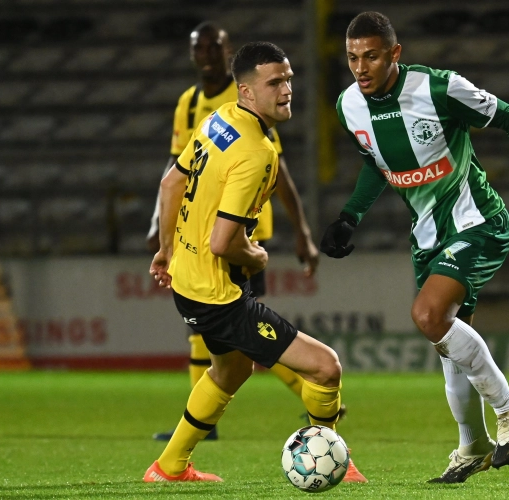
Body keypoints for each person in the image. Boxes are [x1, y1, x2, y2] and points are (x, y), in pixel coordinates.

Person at [320, 12, 509, 483]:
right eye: (352, 57)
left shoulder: (439, 88)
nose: (361, 67)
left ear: (395, 53)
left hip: (478, 222)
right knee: (447, 343)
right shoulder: (348, 105)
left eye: (371, 55)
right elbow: (376, 163)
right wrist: (350, 216)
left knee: (428, 316)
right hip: (428, 237)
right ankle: (472, 445)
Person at [144, 42, 366, 482]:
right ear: (246, 91)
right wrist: (257, 254)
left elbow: (171, 184)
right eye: (274, 83)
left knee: (231, 369)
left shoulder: (220, 117)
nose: (286, 90)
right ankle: (329, 451)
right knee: (325, 367)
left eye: (288, 80)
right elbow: (224, 242)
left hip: (189, 281)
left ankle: (169, 466)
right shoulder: (257, 152)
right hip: (218, 292)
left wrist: (166, 249)